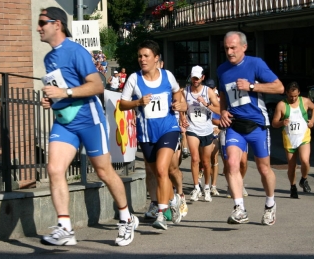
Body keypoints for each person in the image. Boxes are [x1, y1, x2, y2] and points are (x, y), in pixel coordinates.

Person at [37, 7, 138, 247]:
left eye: (43, 22)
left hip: (89, 120)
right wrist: (52, 98)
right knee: (54, 169)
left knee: (103, 172)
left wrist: (65, 92)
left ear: (57, 24)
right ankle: (65, 228)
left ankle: (126, 217)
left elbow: (97, 86)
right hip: (65, 122)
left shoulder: (76, 51)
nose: (39, 27)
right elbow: (61, 87)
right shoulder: (48, 58)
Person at [119, 40, 187, 230]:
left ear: (156, 58)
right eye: (140, 56)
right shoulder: (134, 78)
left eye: (146, 55)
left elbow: (177, 93)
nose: (142, 59)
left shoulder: (167, 76)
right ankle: (172, 199)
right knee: (155, 171)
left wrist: (180, 107)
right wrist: (138, 102)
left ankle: (161, 213)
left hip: (168, 128)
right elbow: (123, 104)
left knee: (161, 169)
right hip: (147, 134)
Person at [218, 31, 284, 226]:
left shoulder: (255, 64)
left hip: (257, 125)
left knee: (264, 169)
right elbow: (223, 94)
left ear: (244, 47)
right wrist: (222, 111)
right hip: (235, 125)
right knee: (231, 164)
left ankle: (270, 204)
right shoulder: (222, 69)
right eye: (226, 48)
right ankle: (240, 208)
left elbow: (279, 87)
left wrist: (252, 86)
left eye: (233, 48)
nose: (229, 52)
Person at [181, 65, 220, 203]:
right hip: (192, 128)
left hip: (207, 129)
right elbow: (179, 104)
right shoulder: (185, 91)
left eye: (197, 78)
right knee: (195, 159)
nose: (195, 80)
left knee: (206, 161)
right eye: (193, 78)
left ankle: (207, 187)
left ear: (203, 77)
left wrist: (206, 104)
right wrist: (182, 118)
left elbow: (219, 109)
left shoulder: (208, 91)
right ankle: (196, 187)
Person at [272, 81, 314, 198]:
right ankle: (293, 186)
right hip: (289, 139)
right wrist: (282, 122)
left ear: (299, 93)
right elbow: (274, 123)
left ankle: (304, 179)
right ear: (286, 93)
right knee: (292, 166)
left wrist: (312, 121)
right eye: (291, 96)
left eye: (296, 96)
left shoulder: (305, 101)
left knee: (305, 161)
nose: (293, 98)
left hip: (303, 137)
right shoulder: (281, 105)